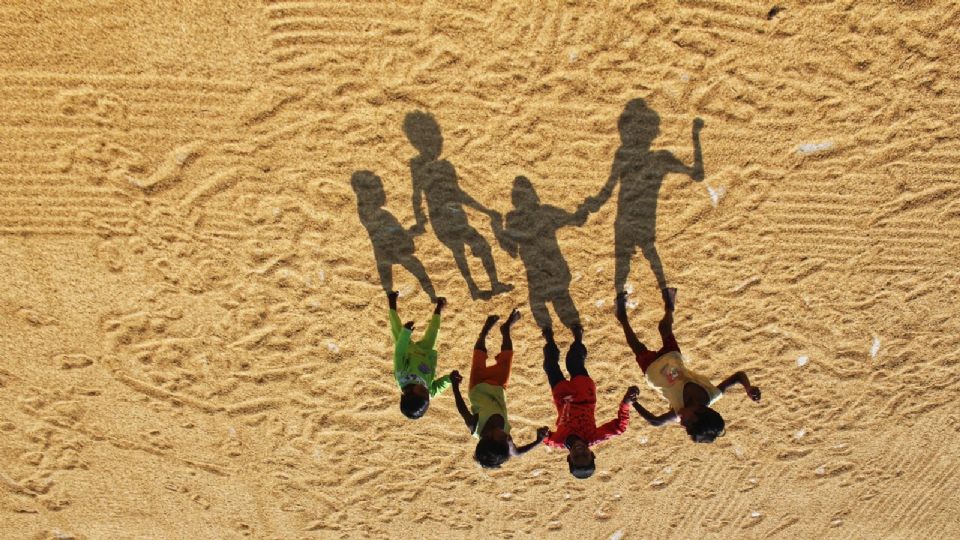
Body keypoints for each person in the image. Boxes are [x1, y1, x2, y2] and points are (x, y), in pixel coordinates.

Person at [585, 99, 705, 292]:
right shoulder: (661, 158)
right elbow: (697, 174)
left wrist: (593, 205)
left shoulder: (625, 154)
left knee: (623, 267)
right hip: (643, 223)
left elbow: (607, 190)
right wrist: (695, 135)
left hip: (625, 222)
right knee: (649, 255)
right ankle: (667, 297)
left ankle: (630, 301)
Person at [616, 288, 761, 443]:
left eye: (686, 428)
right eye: (689, 423)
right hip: (672, 358)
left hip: (654, 371)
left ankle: (622, 317)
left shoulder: (679, 412)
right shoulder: (712, 394)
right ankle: (669, 307)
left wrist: (633, 402)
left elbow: (655, 421)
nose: (682, 424)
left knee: (637, 346)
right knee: (664, 328)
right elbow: (739, 376)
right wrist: (748, 387)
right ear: (701, 410)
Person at [403, 111, 513, 300]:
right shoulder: (426, 166)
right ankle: (486, 285)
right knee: (472, 248)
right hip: (448, 219)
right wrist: (419, 219)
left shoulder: (432, 165)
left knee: (464, 251)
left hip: (450, 218)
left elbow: (420, 195)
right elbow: (449, 194)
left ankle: (478, 288)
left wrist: (419, 220)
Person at [450, 309, 548, 468]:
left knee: (479, 354)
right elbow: (517, 453)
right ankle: (506, 329)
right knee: (507, 355)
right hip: (499, 387)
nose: (508, 439)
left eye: (503, 439)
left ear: (487, 437)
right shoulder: (504, 441)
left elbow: (461, 408)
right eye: (507, 443)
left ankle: (484, 332)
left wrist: (454, 385)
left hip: (478, 385)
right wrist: (539, 440)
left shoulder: (475, 426)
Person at [541, 323, 638, 479]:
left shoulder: (558, 441)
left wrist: (542, 434)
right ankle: (578, 337)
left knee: (550, 365)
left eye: (576, 457)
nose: (580, 451)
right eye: (585, 455)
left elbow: (545, 439)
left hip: (561, 395)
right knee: (573, 361)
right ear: (592, 454)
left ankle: (550, 340)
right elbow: (620, 427)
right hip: (584, 393)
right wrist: (626, 403)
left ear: (569, 458)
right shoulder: (594, 437)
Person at [492, 175, 589, 330]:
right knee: (561, 300)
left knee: (538, 305)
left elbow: (512, 251)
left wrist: (497, 230)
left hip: (536, 273)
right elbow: (577, 220)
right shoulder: (546, 211)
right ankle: (576, 334)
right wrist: (583, 209)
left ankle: (549, 335)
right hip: (556, 269)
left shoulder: (513, 219)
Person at [351, 170, 436, 301]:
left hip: (382, 254)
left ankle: (396, 300)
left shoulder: (365, 212)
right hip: (395, 252)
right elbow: (396, 236)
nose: (382, 193)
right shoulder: (381, 215)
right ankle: (433, 296)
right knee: (418, 269)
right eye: (378, 189)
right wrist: (414, 231)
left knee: (388, 285)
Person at [388, 291, 453, 419]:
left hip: (409, 349)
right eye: (427, 396)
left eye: (422, 393)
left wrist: (405, 333)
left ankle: (392, 301)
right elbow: (437, 388)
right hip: (426, 353)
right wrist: (450, 379)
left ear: (410, 393)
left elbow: (399, 353)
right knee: (435, 331)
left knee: (397, 328)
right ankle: (438, 308)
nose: (427, 392)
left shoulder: (402, 375)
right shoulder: (426, 392)